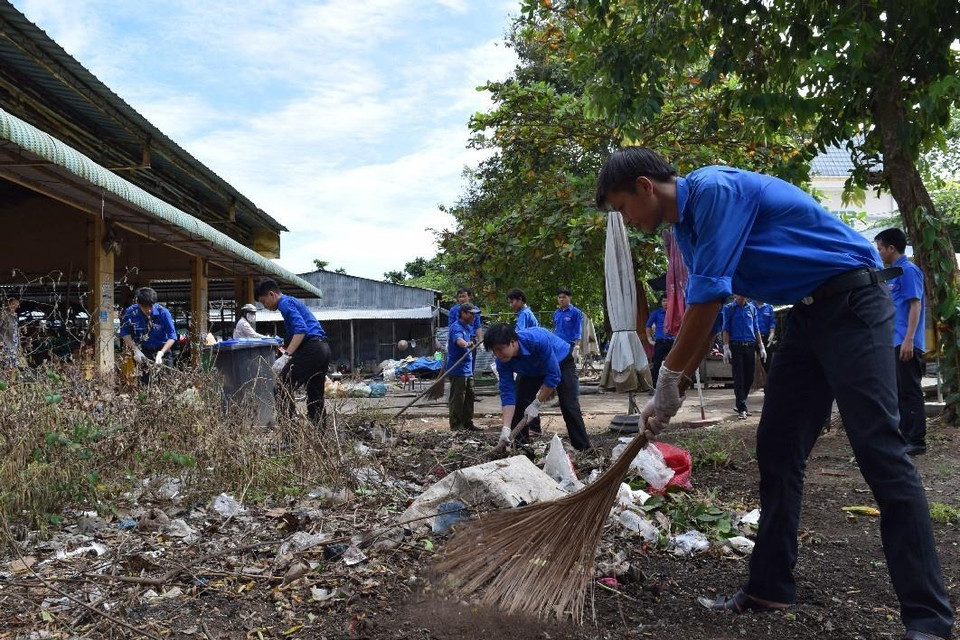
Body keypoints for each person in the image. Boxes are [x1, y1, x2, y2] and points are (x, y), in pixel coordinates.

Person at [594, 147, 952, 640]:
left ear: (643, 186)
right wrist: (670, 387)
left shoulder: (715, 190)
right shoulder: (685, 231)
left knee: (880, 451)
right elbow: (706, 307)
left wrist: (668, 383)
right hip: (806, 314)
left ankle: (929, 618)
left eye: (621, 208)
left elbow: (709, 299)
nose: (627, 221)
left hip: (854, 301)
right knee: (778, 448)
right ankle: (769, 586)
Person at [485, 323, 591, 451]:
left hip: (560, 362)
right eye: (494, 351)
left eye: (500, 349)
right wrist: (506, 428)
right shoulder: (502, 361)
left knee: (569, 405)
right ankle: (522, 449)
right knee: (519, 403)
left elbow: (553, 375)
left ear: (513, 342)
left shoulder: (536, 340)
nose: (498, 355)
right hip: (531, 371)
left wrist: (536, 404)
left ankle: (583, 448)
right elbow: (507, 392)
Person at [875, 228, 928, 456]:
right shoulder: (893, 273)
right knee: (898, 391)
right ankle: (904, 436)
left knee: (910, 391)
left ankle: (916, 440)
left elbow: (915, 305)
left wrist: (908, 339)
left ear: (891, 248)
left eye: (880, 249)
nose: (878, 253)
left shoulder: (908, 271)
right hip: (894, 341)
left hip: (907, 341)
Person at [256, 279, 330, 426]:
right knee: (315, 394)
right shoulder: (291, 302)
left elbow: (301, 329)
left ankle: (289, 435)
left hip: (312, 349)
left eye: (264, 302)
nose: (265, 306)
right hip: (323, 349)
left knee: (282, 387)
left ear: (272, 294)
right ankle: (320, 436)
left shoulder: (284, 303)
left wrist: (287, 356)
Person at [119, 287, 176, 384]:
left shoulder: (164, 313)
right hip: (143, 352)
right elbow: (125, 333)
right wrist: (135, 350)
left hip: (163, 351)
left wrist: (161, 353)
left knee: (165, 382)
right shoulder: (131, 312)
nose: (149, 310)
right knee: (145, 383)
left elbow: (172, 336)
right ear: (138, 303)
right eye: (145, 307)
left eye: (151, 306)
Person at [722, 295, 766, 419]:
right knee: (739, 378)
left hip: (750, 346)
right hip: (736, 347)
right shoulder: (729, 309)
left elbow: (756, 328)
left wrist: (761, 345)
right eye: (738, 293)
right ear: (735, 295)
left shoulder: (752, 309)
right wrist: (726, 347)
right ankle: (742, 408)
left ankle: (741, 401)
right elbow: (726, 328)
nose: (741, 296)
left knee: (749, 378)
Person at [447, 303, 480, 432]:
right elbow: (458, 340)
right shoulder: (457, 327)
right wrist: (466, 344)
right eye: (471, 314)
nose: (474, 316)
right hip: (457, 369)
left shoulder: (468, 327)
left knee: (469, 397)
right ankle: (456, 426)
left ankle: (467, 423)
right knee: (458, 399)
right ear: (463, 314)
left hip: (467, 369)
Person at [645, 295, 675, 387]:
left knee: (673, 364)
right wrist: (649, 339)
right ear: (661, 303)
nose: (666, 303)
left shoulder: (674, 313)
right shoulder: (656, 313)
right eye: (664, 301)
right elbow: (648, 326)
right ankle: (655, 386)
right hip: (660, 342)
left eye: (668, 301)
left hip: (672, 342)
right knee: (657, 364)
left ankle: (673, 385)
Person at [553, 287, 583, 360]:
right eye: (559, 297)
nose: (561, 299)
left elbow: (578, 330)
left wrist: (576, 347)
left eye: (564, 297)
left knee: (569, 368)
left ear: (569, 298)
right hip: (556, 345)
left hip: (569, 346)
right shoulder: (557, 313)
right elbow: (555, 328)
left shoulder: (575, 312)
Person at [752, 299, 776, 371]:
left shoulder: (769, 307)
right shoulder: (750, 307)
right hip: (752, 339)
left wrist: (772, 333)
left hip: (766, 338)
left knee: (767, 363)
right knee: (751, 364)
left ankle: (767, 380)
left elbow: (772, 322)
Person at [1, 294, 21, 371]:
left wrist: (19, 346)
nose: (15, 306)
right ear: (7, 303)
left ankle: (12, 382)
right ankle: (6, 382)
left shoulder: (15, 316)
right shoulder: (3, 315)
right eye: (13, 304)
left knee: (14, 366)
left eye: (16, 304)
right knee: (6, 366)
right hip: (5, 344)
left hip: (14, 345)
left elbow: (16, 331)